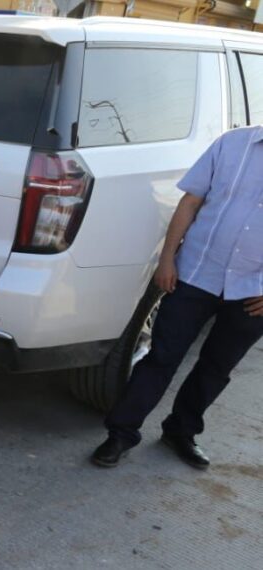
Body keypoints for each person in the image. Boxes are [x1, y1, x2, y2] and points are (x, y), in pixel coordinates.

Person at [91, 128, 263, 470]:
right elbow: (190, 202)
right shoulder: (231, 144)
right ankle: (121, 433)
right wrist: (167, 258)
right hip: (196, 273)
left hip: (253, 293)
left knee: (216, 368)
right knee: (161, 357)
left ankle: (181, 431)